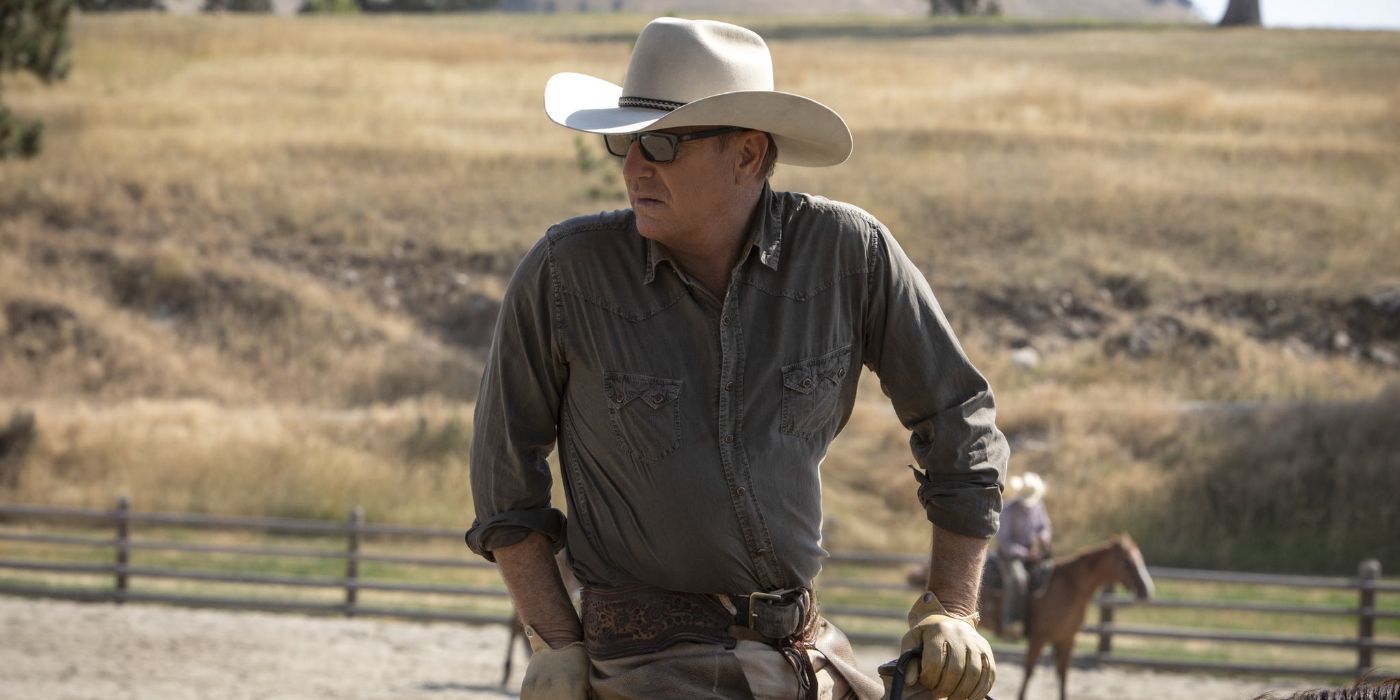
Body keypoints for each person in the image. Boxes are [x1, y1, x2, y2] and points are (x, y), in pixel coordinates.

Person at [465, 17, 1009, 700]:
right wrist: (554, 639)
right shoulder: (565, 272)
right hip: (639, 663)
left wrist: (952, 610)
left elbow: (959, 416)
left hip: (804, 650)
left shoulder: (851, 256)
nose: (634, 166)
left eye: (659, 144)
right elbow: (503, 473)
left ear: (749, 155)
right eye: (623, 142)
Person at [995, 472, 1052, 638]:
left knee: (1052, 574)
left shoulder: (1039, 507)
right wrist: (1026, 554)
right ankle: (1012, 622)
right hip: (1010, 556)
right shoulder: (1008, 510)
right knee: (1018, 579)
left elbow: (1045, 527)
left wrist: (1044, 537)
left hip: (1034, 553)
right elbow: (1004, 541)